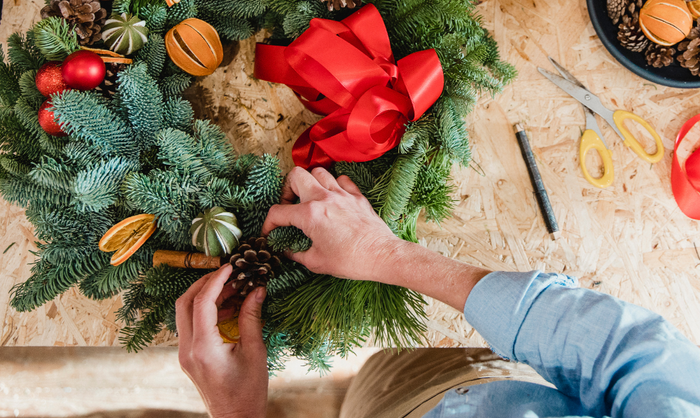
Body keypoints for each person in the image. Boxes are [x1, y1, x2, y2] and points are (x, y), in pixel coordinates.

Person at [176, 167, 700, 418]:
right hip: (467, 390)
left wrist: (238, 412)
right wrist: (385, 253)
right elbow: (630, 355)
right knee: (380, 374)